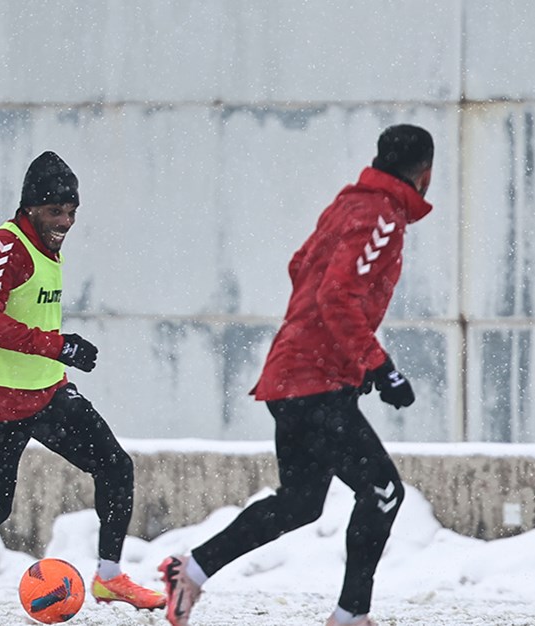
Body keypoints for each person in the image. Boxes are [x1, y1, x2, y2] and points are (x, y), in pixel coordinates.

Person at [159, 125, 435, 626]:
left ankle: (191, 570)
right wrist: (378, 364)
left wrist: (339, 352)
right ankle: (351, 615)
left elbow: (300, 265)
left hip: (296, 378)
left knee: (301, 503)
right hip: (314, 383)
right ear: (426, 174)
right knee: (382, 491)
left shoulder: (349, 205)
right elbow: (336, 296)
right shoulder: (381, 217)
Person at [0, 151, 165, 622]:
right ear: (30, 207)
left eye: (72, 212)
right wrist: (58, 346)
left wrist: (58, 357)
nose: (66, 221)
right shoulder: (4, 247)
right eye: (56, 211)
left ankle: (109, 575)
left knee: (116, 467)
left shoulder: (47, 247)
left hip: (44, 393)